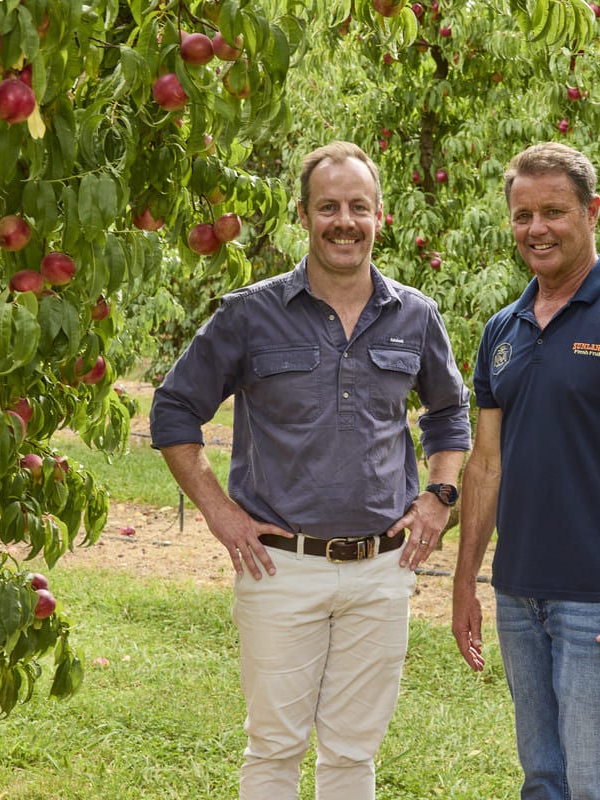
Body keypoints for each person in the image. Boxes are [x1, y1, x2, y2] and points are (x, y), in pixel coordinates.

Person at [149, 141, 471, 800]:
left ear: (380, 217)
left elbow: (448, 413)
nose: (343, 221)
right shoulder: (248, 314)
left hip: (383, 570)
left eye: (358, 207)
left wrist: (440, 496)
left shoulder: (416, 315)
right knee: (274, 747)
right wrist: (217, 509)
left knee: (353, 753)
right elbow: (174, 410)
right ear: (304, 215)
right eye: (328, 207)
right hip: (279, 568)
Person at [451, 142, 600, 800]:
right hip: (518, 594)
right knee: (542, 781)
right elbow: (485, 464)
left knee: (594, 785)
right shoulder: (501, 328)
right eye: (522, 215)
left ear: (592, 211)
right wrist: (465, 580)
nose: (536, 229)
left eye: (553, 212)